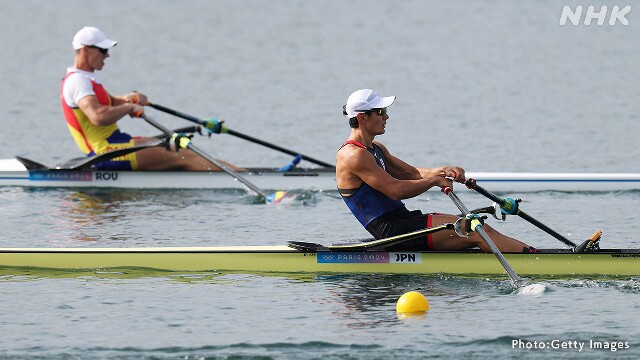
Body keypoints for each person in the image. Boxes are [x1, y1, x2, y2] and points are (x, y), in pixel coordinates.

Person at [336, 89, 538, 253]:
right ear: (362, 118)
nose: (386, 116)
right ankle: (534, 260)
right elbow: (395, 189)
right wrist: (434, 181)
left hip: (404, 220)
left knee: (471, 226)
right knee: (477, 229)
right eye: (380, 112)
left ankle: (528, 254)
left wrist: (442, 170)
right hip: (391, 232)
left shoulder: (376, 148)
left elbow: (411, 174)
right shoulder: (353, 155)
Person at [61, 26, 227, 171]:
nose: (107, 55)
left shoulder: (87, 78)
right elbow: (98, 116)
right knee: (184, 156)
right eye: (103, 50)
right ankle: (241, 178)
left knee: (172, 147)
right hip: (105, 153)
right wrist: (129, 108)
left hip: (117, 143)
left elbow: (111, 103)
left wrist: (130, 98)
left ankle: (231, 174)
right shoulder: (78, 82)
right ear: (85, 50)